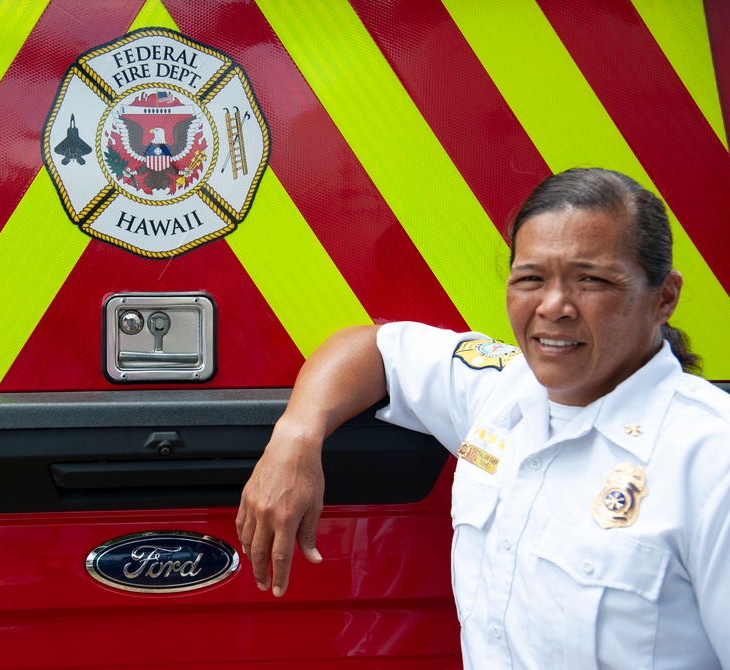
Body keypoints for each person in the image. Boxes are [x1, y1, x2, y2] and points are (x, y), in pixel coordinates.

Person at [236, 168, 730, 668]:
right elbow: (373, 348)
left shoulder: (711, 459)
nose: (553, 306)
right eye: (531, 279)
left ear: (664, 297)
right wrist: (295, 438)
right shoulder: (502, 391)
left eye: (591, 280)